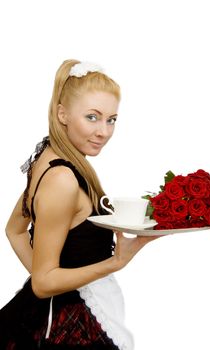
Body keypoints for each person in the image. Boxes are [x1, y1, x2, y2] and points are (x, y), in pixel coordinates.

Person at [0, 59, 159, 350]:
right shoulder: (62, 178)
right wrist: (116, 262)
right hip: (70, 327)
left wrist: (56, 282)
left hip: (71, 307)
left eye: (111, 119)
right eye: (92, 117)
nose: (104, 131)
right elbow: (42, 283)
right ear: (62, 114)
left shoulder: (52, 157)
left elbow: (15, 231)